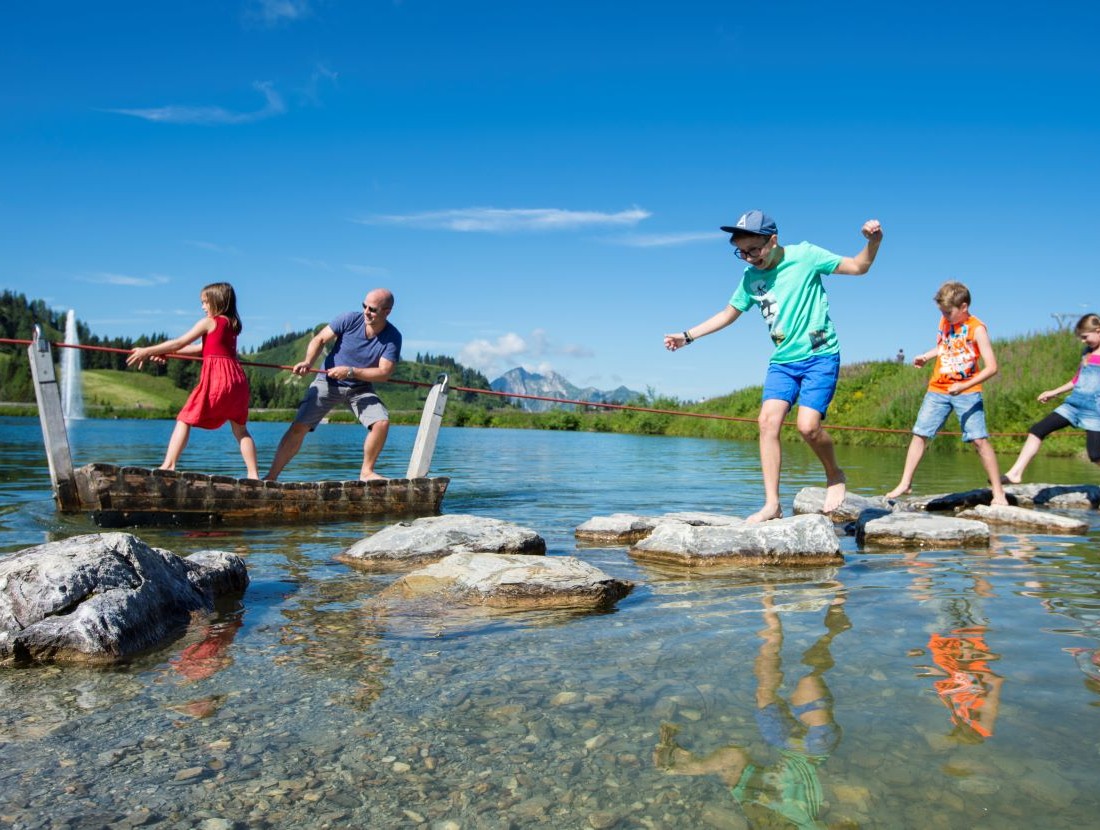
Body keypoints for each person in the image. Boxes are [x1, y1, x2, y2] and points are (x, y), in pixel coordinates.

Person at [664, 210, 884, 522]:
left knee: (808, 427)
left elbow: (859, 266)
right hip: (783, 361)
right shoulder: (750, 278)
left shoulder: (806, 256)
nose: (749, 258)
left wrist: (873, 242)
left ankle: (834, 474)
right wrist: (688, 336)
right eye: (742, 252)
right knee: (767, 422)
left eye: (754, 249)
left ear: (773, 240)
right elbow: (728, 313)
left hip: (820, 355)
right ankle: (772, 504)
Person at [654, 585, 850, 827]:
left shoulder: (753, 808)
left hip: (785, 746)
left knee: (767, 692)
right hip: (813, 751)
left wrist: (690, 766)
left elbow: (732, 756)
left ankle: (770, 612)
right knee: (808, 679)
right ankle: (833, 623)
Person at [885, 281, 1008, 504]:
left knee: (979, 440)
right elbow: (945, 346)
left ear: (964, 307)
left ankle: (998, 492)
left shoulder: (977, 329)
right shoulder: (945, 322)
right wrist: (926, 356)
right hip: (937, 390)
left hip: (967, 392)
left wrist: (963, 386)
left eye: (948, 312)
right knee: (920, 434)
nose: (945, 316)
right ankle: (905, 483)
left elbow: (992, 367)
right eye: (942, 312)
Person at [265, 288, 400, 482]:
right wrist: (308, 362)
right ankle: (271, 477)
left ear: (387, 312)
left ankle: (366, 473)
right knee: (298, 427)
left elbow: (384, 373)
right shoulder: (348, 319)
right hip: (327, 382)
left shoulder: (393, 336)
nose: (366, 312)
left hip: (360, 388)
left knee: (382, 423)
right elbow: (319, 339)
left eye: (372, 309)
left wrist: (350, 371)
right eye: (364, 306)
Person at [126, 282, 258, 479]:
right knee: (240, 429)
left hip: (218, 378)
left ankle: (168, 466)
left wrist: (147, 350)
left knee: (184, 418)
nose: (203, 307)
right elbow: (199, 349)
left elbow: (180, 342)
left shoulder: (209, 322)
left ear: (216, 301)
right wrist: (166, 353)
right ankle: (253, 475)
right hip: (237, 380)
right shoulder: (231, 325)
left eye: (205, 302)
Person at [1002, 313, 1100, 484]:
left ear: (1098, 331)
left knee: (1095, 455)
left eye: (1085, 337)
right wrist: (1054, 392)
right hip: (1074, 405)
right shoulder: (1087, 353)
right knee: (1037, 430)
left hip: (1095, 410)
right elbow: (1076, 381)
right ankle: (1015, 474)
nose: (1083, 341)